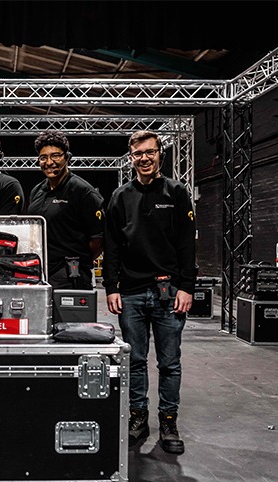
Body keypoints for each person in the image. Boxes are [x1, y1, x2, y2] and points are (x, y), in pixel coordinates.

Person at [102, 130, 197, 455]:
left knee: (170, 363)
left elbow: (187, 244)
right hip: (130, 293)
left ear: (160, 154)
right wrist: (111, 287)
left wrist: (187, 287)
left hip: (169, 293)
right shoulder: (120, 197)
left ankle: (168, 422)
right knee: (135, 361)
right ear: (131, 158)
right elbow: (112, 246)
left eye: (150, 152)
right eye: (138, 153)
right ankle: (138, 418)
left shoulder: (176, 192)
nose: (144, 158)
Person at [26, 130, 105, 289]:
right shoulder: (37, 191)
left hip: (71, 277)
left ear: (67, 157)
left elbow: (98, 240)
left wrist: (78, 261)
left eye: (55, 156)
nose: (49, 162)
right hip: (39, 274)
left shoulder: (83, 192)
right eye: (43, 157)